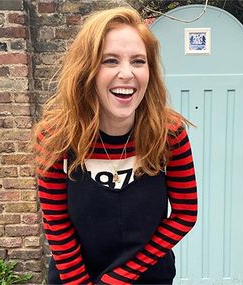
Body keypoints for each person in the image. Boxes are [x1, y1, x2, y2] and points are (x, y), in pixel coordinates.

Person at [31, 6, 197, 285]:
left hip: (148, 274)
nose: (126, 74)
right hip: (74, 275)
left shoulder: (169, 134)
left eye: (138, 61)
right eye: (110, 61)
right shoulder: (54, 137)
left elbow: (185, 213)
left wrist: (119, 278)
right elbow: (56, 223)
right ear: (87, 69)